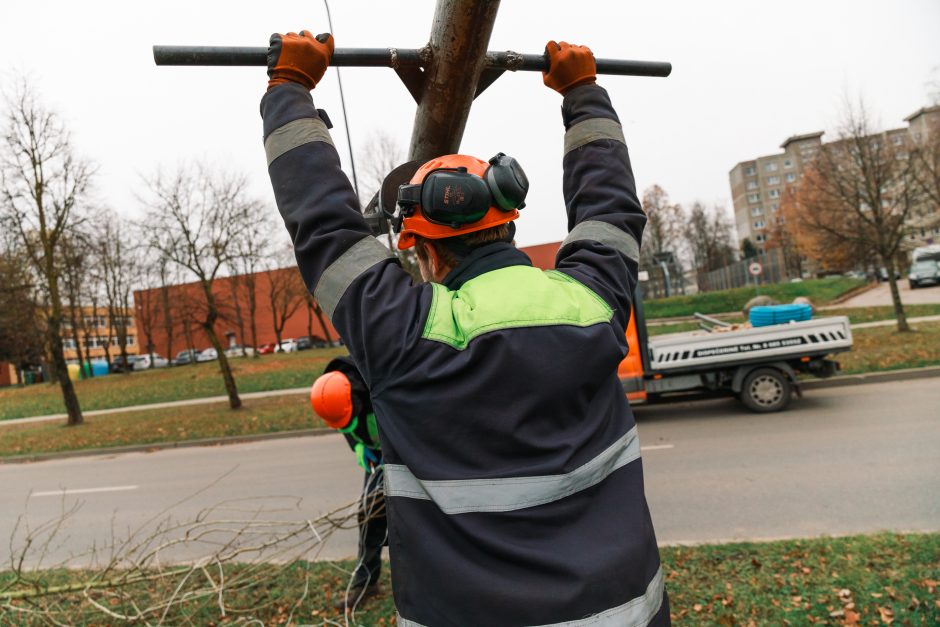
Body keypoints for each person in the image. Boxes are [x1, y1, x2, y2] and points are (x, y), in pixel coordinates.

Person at [261, 30, 670, 626]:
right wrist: (584, 91)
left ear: (420, 253)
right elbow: (611, 208)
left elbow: (323, 228)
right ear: (509, 223)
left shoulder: (402, 335)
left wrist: (288, 88)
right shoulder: (592, 305)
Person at [309, 357, 386, 610]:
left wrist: (395, 455)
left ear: (356, 400)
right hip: (376, 461)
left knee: (411, 519)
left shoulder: (379, 389)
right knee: (368, 517)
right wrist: (359, 446)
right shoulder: (334, 398)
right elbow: (347, 426)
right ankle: (367, 584)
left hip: (402, 458)